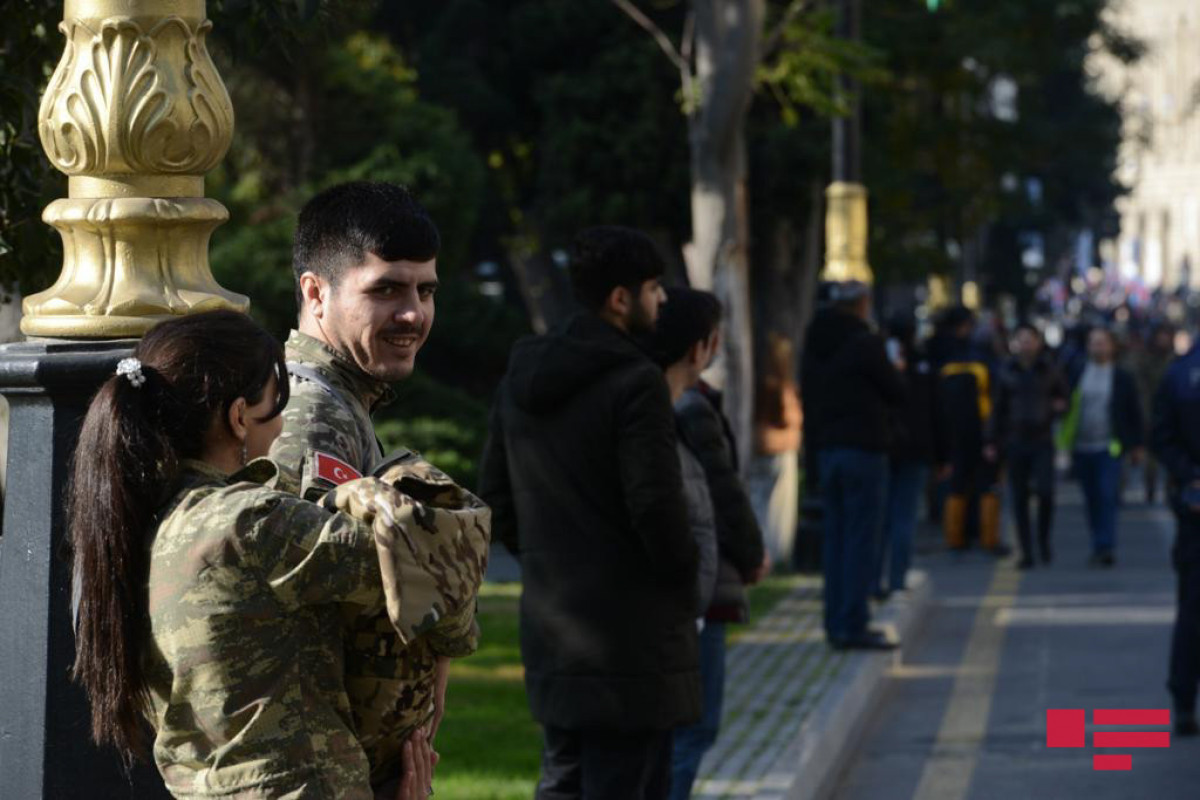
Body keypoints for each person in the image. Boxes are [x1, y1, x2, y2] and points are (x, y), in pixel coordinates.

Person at [67, 311, 451, 799]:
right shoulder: (252, 522)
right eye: (279, 401)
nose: (286, 419)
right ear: (239, 416)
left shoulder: (136, 524)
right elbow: (427, 569)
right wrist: (379, 491)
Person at [269, 182, 487, 790]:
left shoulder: (337, 402)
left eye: (425, 290)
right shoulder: (311, 416)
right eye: (386, 289)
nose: (413, 313)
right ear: (316, 293)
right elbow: (310, 625)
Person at [479, 226, 700, 799]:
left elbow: (494, 495)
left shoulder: (520, 377)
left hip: (554, 625)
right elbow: (656, 505)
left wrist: (549, 563)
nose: (663, 300)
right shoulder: (636, 382)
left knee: (565, 780)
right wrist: (683, 579)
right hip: (633, 640)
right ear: (619, 299)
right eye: (653, 288)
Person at [650, 287, 768, 800]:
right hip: (701, 590)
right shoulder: (691, 408)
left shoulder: (654, 403)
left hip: (681, 590)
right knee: (693, 729)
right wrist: (751, 553)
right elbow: (725, 492)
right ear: (703, 346)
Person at [800, 280, 905, 650]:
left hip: (827, 450)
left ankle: (835, 622)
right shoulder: (865, 343)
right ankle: (854, 623)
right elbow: (896, 391)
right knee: (862, 540)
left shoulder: (814, 343)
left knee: (836, 540)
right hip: (864, 449)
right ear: (862, 304)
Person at [1058, 327, 1144, 566]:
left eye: (1103, 343)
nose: (1098, 347)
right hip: (1081, 446)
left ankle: (1104, 545)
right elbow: (1065, 404)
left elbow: (1133, 411)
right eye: (1094, 343)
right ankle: (1098, 538)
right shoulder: (1077, 372)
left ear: (1112, 346)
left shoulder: (1122, 377)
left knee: (1107, 495)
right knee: (1091, 497)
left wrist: (1137, 445)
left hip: (1110, 447)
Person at [1150, 336, 1200, 737]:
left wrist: (1188, 477)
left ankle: (1184, 700)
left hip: (1193, 504)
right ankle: (1183, 699)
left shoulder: (1178, 373)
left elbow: (1161, 436)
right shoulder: (1180, 374)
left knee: (1192, 608)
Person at [874, 311, 944, 597]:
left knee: (884, 517)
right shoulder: (923, 366)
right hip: (914, 449)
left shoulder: (881, 364)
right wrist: (942, 455)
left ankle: (875, 579)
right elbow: (937, 412)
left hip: (886, 447)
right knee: (904, 515)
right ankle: (897, 578)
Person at [988, 323, 1068, 568]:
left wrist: (1059, 407)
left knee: (1046, 492)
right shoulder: (1006, 371)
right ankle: (1026, 551)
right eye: (1021, 340)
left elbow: (1064, 396)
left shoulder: (1049, 369)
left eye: (1030, 340)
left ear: (1038, 342)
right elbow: (997, 408)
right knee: (1019, 497)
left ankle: (1043, 540)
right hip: (1015, 440)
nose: (1025, 345)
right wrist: (991, 440)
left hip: (1042, 439)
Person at [935, 306, 1005, 554]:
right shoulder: (983, 360)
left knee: (957, 485)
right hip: (982, 433)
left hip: (952, 434)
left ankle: (955, 538)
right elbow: (996, 398)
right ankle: (988, 539)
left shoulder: (941, 358)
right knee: (988, 485)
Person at [1130, 323, 1175, 503]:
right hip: (1152, 412)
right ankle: (1151, 488)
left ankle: (1169, 490)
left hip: (1171, 414)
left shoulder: (1174, 360)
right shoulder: (1144, 360)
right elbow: (1142, 390)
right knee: (1152, 457)